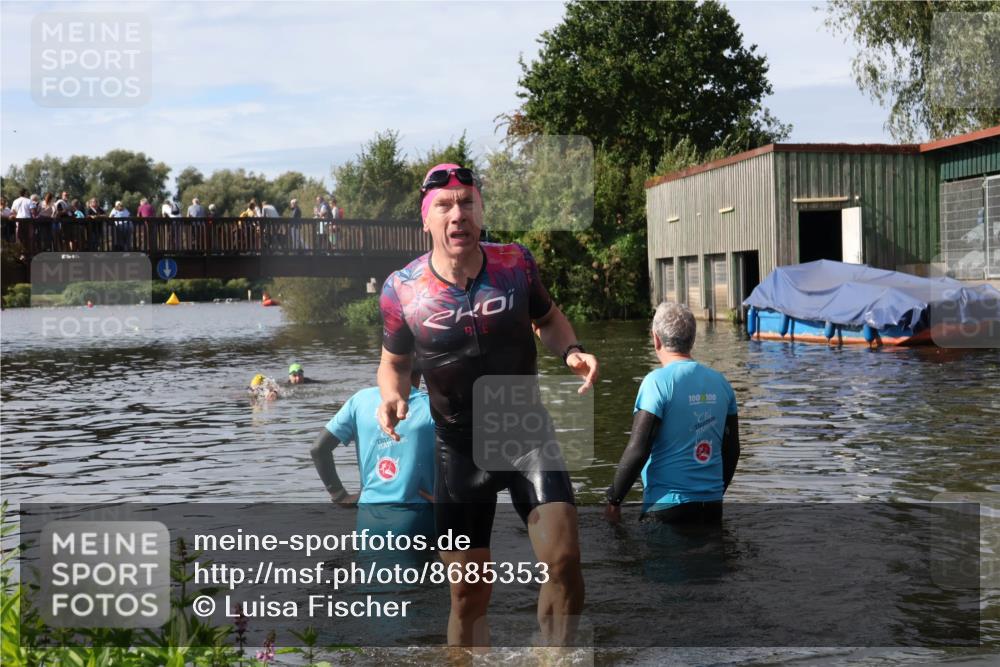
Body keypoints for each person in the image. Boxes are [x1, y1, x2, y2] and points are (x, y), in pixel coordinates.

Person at [376, 163, 598, 647]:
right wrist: (390, 395)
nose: (459, 215)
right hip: (458, 449)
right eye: (445, 206)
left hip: (524, 433)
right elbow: (393, 362)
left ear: (481, 211)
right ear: (427, 220)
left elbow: (550, 319)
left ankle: (554, 657)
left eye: (468, 203)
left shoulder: (515, 264)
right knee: (466, 595)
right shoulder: (402, 289)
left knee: (563, 562)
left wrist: (572, 350)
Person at [604, 301, 740, 525]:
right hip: (712, 508)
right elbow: (732, 450)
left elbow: (638, 449)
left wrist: (614, 500)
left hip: (666, 507)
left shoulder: (656, 383)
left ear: (655, 338)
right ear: (693, 339)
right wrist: (715, 493)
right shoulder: (721, 383)